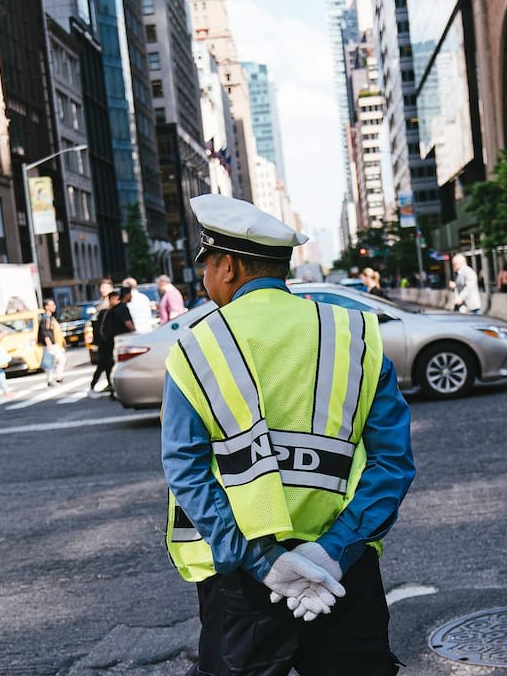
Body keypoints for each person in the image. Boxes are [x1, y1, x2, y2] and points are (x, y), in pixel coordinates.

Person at [162, 193, 415, 675]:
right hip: (343, 575)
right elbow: (392, 463)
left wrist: (266, 564)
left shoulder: (197, 347)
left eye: (207, 264)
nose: (205, 276)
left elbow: (186, 471)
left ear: (229, 267)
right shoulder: (354, 335)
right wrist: (333, 551)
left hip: (242, 583)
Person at [89, 291, 121, 395]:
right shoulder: (106, 313)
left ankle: (110, 386)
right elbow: (97, 328)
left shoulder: (109, 312)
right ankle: (93, 386)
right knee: (103, 365)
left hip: (108, 342)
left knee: (108, 365)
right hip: (105, 343)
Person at [38, 299, 67, 385]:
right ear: (47, 307)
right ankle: (55, 378)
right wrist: (48, 343)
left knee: (55, 360)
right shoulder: (46, 318)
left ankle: (54, 378)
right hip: (50, 344)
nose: (54, 306)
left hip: (54, 344)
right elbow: (45, 331)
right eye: (52, 305)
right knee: (54, 360)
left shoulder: (50, 317)